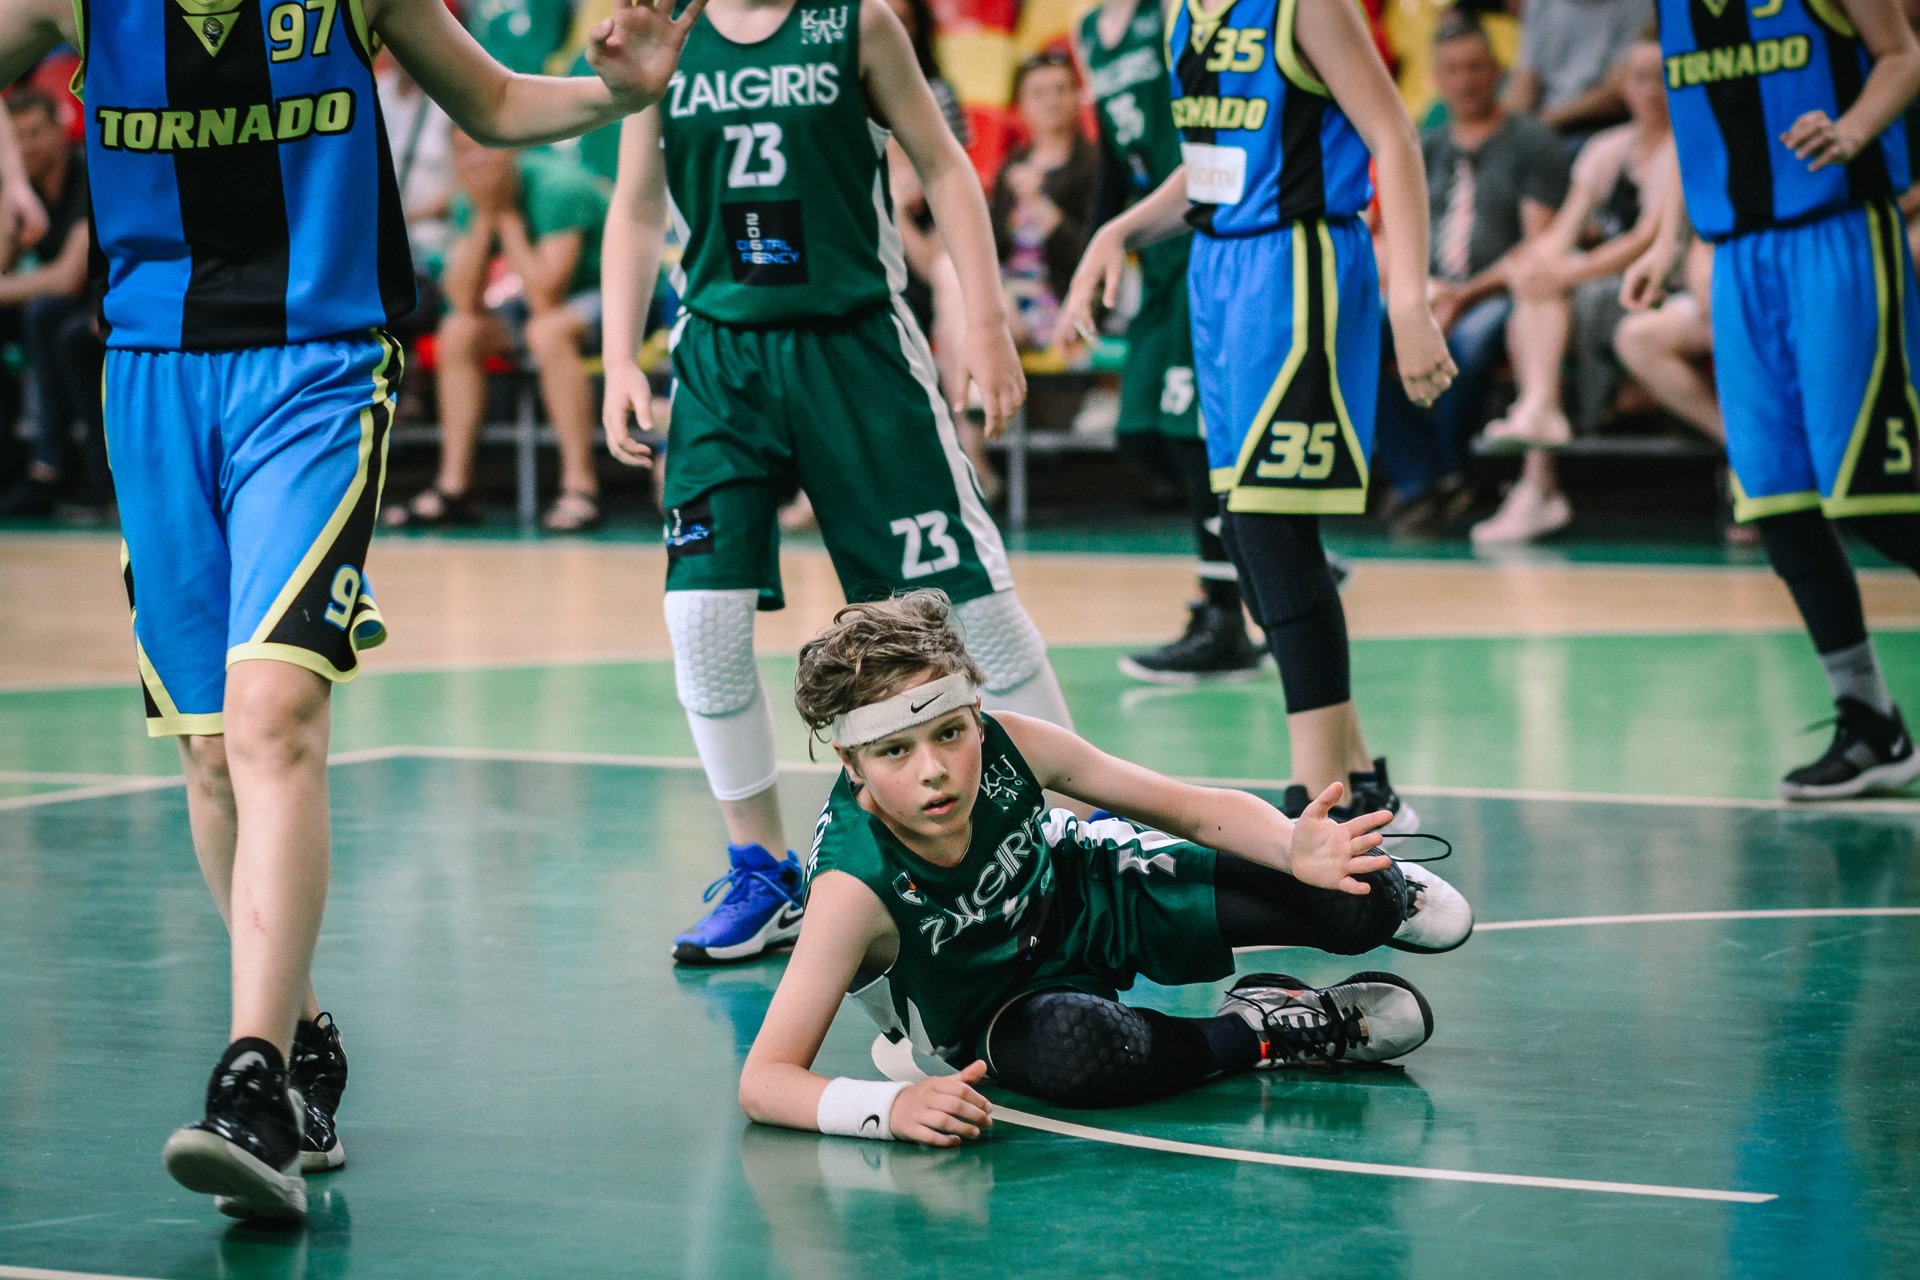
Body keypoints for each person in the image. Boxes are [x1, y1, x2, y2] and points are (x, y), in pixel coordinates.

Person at [0, 0, 706, 1224]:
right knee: (211, 750)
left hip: (317, 366)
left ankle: (250, 1082)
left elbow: (492, 100)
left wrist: (620, 94)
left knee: (275, 715)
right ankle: (302, 1038)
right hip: (151, 375)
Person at [600, 0, 1077, 966]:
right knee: (700, 619)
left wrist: (986, 321)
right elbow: (639, 204)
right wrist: (617, 357)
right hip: (721, 361)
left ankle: (1076, 834)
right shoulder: (665, 34)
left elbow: (944, 163)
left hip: (856, 351)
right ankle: (762, 872)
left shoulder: (856, 23)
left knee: (970, 612)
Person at [738, 592, 1473, 1138]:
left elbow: (1188, 810)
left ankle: (1390, 893)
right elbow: (765, 1080)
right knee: (1081, 1051)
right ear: (852, 763)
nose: (934, 770)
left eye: (950, 733)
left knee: (1359, 894)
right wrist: (888, 1107)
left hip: (1092, 895)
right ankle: (1263, 1028)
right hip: (996, 1012)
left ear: (975, 714)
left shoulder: (1013, 744)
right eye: (896, 751)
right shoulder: (852, 888)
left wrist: (1291, 845)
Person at [1059, 0, 1456, 828]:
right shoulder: (1188, 15)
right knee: (1245, 531)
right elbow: (1212, 168)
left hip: (1298, 265)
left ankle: (1317, 805)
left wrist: (1411, 299)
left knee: (1271, 529)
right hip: (1219, 274)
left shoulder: (1303, 7)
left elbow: (1394, 137)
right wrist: (1120, 231)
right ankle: (1359, 783)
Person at [1622, 0, 1920, 798]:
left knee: (1875, 499)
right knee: (1777, 504)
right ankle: (1870, 720)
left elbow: (1903, 56)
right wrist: (1664, 240)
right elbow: (1696, 128)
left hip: (1838, 237)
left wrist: (1853, 130)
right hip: (1739, 262)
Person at [1076, 0, 1266, 683]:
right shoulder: (1089, 32)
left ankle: (1225, 615)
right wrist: (1093, 255)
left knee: (1190, 438)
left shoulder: (1173, 14)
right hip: (1151, 252)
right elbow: (1112, 159)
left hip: (1198, 237)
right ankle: (1265, 542)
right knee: (1140, 432)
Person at [1370, 11, 1571, 538]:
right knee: (1354, 331)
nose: (1465, 81)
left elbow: (1538, 248)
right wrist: (1418, 291)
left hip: (1499, 291)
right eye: (1453, 70)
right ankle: (1430, 476)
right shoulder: (1425, 145)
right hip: (1430, 289)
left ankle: (1436, 475)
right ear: (1436, 78)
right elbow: (1390, 233)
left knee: (1474, 340)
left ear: (1497, 71)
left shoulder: (1532, 141)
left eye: (1476, 67)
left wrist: (1465, 294)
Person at [1472, 36, 1675, 545]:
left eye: (1663, 78)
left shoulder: (1686, 148)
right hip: (1596, 288)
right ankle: (1538, 433)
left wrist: (1562, 275)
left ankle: (1538, 475)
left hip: (1655, 289)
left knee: (1541, 303)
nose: (1652, 90)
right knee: (1533, 290)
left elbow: (1644, 240)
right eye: (1641, 78)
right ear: (1622, 86)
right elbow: (1563, 231)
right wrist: (1532, 264)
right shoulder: (1606, 147)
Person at [386, 134, 612, 531]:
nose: (474, 162)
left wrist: (505, 214)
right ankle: (454, 489)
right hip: (534, 308)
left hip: (612, 301)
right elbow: (461, 299)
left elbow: (547, 297)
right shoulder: (469, 198)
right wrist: (484, 217)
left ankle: (581, 487)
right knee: (458, 332)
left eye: (482, 147)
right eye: (462, 152)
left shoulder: (560, 186)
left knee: (548, 331)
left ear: (510, 148)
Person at [0, 88, 100, 518]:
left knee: (48, 318)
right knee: (37, 316)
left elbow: (67, 278)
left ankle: (58, 468)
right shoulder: (23, 189)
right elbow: (3, 265)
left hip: (107, 300)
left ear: (61, 129)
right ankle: (13, 464)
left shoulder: (88, 175)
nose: (28, 147)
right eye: (17, 137)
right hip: (65, 307)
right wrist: (10, 193)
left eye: (36, 133)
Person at [1502, 0, 1653, 135]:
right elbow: (1526, 78)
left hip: (1595, 126)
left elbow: (1616, 91)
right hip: (1542, 124)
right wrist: (1506, 128)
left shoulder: (1639, 5)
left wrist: (1542, 124)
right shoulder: (1539, 4)